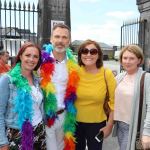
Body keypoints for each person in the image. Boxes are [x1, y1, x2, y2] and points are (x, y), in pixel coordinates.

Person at [0, 42, 46, 150]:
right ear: (20, 56)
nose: (31, 59)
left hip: (39, 130)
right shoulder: (7, 80)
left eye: (35, 56)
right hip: (17, 133)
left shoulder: (37, 80)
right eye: (28, 55)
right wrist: (2, 142)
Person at [40, 24, 79, 150]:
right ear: (51, 39)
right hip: (45, 117)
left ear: (69, 41)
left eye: (64, 37)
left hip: (65, 116)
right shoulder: (39, 60)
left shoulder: (73, 64)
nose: (60, 41)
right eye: (57, 36)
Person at [75, 39, 116, 150]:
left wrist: (109, 126)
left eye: (93, 52)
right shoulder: (74, 71)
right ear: (80, 55)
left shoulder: (106, 73)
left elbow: (114, 102)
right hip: (74, 123)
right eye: (85, 51)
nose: (88, 54)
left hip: (97, 124)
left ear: (98, 55)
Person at [114, 44, 150, 150]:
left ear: (139, 60)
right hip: (120, 125)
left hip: (134, 127)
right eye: (125, 58)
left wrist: (147, 133)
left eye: (131, 58)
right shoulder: (119, 77)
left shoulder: (146, 78)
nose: (127, 61)